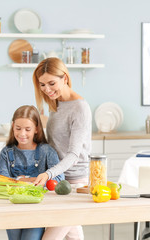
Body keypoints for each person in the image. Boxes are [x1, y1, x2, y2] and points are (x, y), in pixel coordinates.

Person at [32, 57, 92, 240]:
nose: (47, 89)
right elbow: (54, 144)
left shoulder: (80, 107)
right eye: (42, 84)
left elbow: (73, 154)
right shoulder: (55, 104)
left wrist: (48, 174)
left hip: (73, 182)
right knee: (72, 235)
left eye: (51, 83)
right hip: (57, 179)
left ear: (64, 78)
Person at [0, 105, 64, 240]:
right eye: (18, 128)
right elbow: (2, 180)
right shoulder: (6, 152)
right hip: (12, 211)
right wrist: (35, 180)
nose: (22, 134)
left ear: (36, 129)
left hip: (37, 210)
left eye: (27, 129)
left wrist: (21, 180)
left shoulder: (47, 151)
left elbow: (59, 180)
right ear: (12, 126)